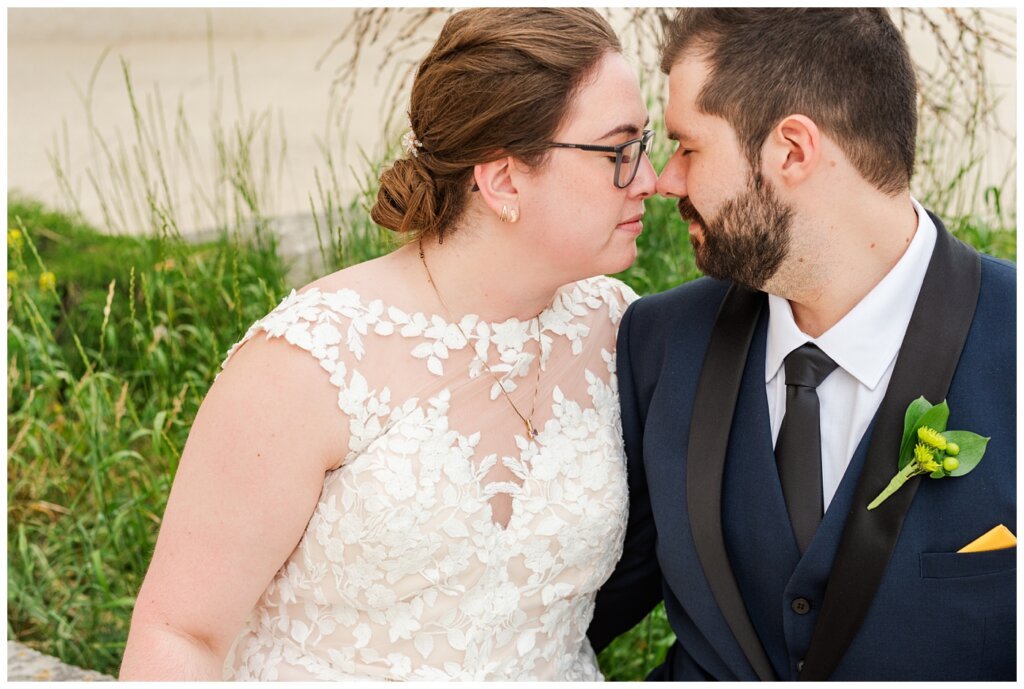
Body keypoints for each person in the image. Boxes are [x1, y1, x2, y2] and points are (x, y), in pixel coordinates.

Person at [119, 8, 656, 681]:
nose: (649, 178)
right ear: (504, 179)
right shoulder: (310, 360)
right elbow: (180, 633)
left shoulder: (620, 328)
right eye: (619, 150)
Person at [589, 8, 1015, 681]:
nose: (665, 180)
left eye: (688, 147)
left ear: (792, 149)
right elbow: (576, 601)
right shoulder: (659, 341)